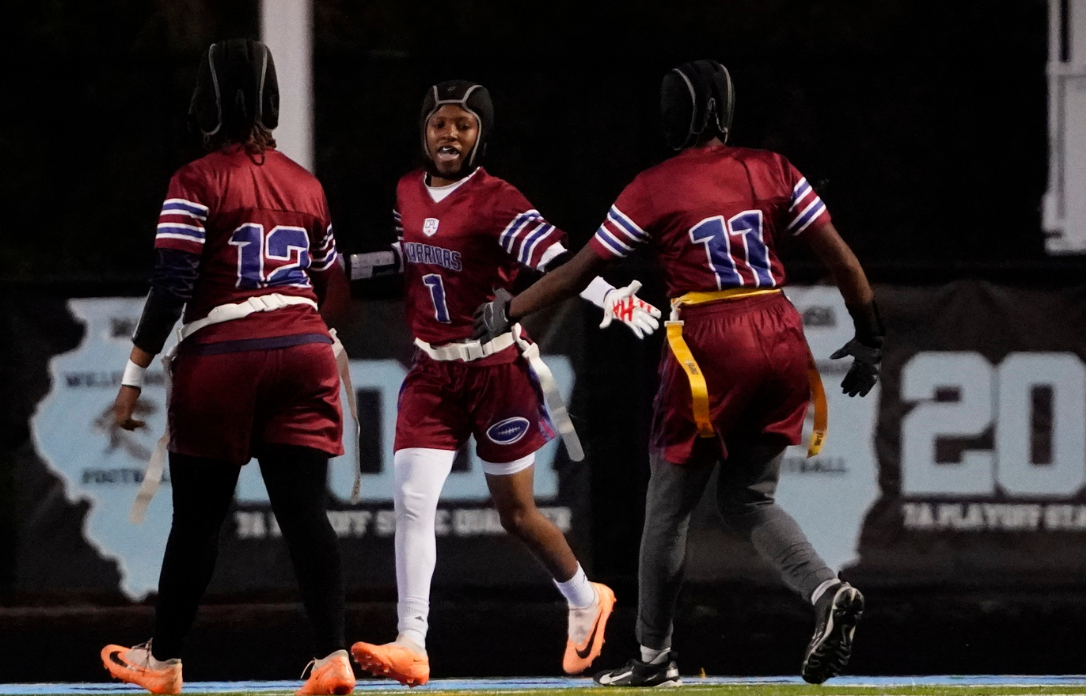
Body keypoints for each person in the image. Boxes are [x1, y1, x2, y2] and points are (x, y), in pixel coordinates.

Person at [473, 60, 881, 686]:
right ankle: (826, 591)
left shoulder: (656, 186)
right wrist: (871, 337)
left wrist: (512, 307)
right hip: (779, 327)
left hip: (708, 341)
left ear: (670, 115)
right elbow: (844, 259)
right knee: (749, 497)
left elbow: (581, 269)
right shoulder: (773, 167)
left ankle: (655, 657)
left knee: (667, 510)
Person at [347, 80, 663, 687]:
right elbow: (406, 255)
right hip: (433, 371)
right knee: (412, 502)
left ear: (480, 136)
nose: (449, 134)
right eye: (439, 122)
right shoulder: (407, 190)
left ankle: (583, 597)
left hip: (495, 371)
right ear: (423, 130)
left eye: (463, 125)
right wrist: (338, 267)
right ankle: (413, 641)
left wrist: (608, 297)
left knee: (516, 513)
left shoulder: (497, 200)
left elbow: (557, 261)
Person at [99, 40, 355, 696]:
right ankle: (332, 655)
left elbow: (175, 281)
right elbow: (336, 286)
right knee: (305, 515)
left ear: (206, 103)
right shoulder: (307, 183)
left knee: (197, 521)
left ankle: (164, 660)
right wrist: (302, 336)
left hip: (226, 357)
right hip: (305, 352)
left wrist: (133, 375)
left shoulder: (196, 180)